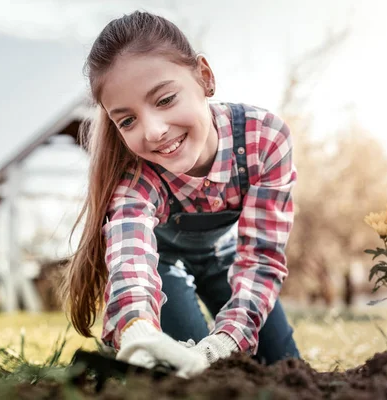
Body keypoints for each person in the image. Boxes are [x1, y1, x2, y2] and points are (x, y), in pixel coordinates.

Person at [62, 10, 300, 379]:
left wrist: (225, 342)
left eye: (165, 99)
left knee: (285, 365)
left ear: (204, 77)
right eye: (127, 120)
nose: (154, 131)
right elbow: (132, 257)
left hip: (228, 258)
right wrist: (137, 331)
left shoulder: (264, 139)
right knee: (183, 370)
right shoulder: (136, 176)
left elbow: (261, 261)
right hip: (162, 265)